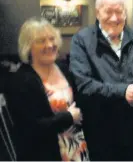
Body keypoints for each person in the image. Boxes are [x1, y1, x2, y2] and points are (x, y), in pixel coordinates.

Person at [69, 0, 133, 161]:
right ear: (97, 13)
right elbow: (84, 86)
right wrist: (125, 91)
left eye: (119, 11)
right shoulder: (82, 41)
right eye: (108, 12)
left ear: (125, 13)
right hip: (101, 133)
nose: (114, 18)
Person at [6, 18, 88, 161]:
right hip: (44, 154)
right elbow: (28, 129)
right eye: (41, 41)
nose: (50, 45)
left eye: (52, 39)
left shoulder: (64, 69)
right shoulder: (20, 80)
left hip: (77, 149)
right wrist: (68, 117)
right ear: (28, 47)